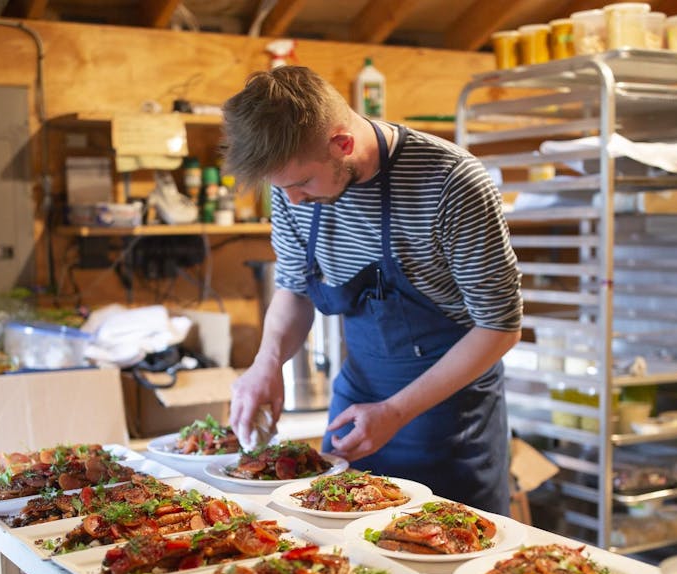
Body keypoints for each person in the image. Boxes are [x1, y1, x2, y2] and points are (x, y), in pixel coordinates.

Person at [220, 66, 522, 515]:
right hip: (357, 403)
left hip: (446, 419)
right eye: (282, 189)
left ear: (342, 144)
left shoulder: (451, 182)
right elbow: (295, 289)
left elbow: (499, 326)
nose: (294, 200)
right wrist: (267, 362)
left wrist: (397, 412)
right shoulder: (291, 187)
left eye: (302, 183)